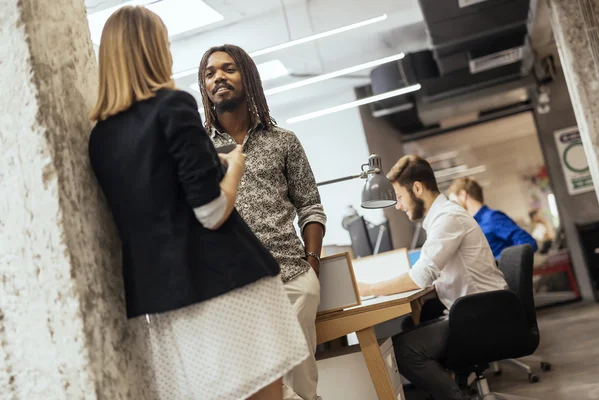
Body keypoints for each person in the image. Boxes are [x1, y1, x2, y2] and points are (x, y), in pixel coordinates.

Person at [88, 7, 309, 400]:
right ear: (152, 50)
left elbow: (155, 199)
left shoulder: (100, 137)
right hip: (225, 283)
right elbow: (210, 212)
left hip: (165, 301)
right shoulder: (173, 105)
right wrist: (235, 165)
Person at [198, 44, 327, 400]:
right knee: (264, 389)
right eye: (210, 73)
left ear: (248, 78)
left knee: (302, 384)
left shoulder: (283, 141)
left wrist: (312, 265)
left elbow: (311, 206)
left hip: (291, 276)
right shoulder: (198, 150)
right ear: (204, 87)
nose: (219, 77)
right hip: (235, 286)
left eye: (228, 69)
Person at [358, 155, 507, 400]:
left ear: (417, 188)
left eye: (399, 197)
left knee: (405, 350)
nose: (398, 205)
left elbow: (420, 277)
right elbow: (425, 274)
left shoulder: (448, 218)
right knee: (410, 328)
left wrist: (368, 289)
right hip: (477, 309)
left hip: (483, 315)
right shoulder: (441, 218)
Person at [447, 177, 538, 259]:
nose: (452, 207)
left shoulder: (492, 218)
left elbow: (527, 242)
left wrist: (497, 263)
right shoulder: (473, 224)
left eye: (453, 201)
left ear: (463, 195)